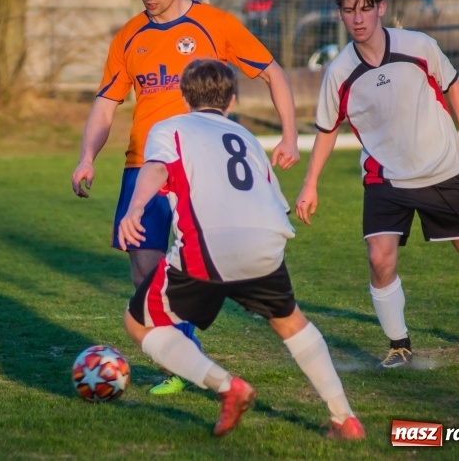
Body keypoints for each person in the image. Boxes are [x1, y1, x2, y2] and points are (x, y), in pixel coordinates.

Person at [71, 0, 300, 395]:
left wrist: (290, 135)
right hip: (144, 165)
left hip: (201, 167)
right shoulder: (129, 37)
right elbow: (105, 105)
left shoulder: (215, 25)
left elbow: (273, 72)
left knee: (200, 261)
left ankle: (187, 359)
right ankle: (184, 354)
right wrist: (86, 157)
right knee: (143, 267)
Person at [294, 0, 459, 369]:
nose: (358, 18)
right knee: (379, 258)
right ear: (340, 15)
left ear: (381, 8)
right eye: (349, 10)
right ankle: (399, 344)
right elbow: (326, 129)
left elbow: (454, 85)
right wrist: (310, 184)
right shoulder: (338, 72)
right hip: (385, 178)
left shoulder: (418, 46)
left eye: (365, 9)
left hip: (441, 169)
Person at [118, 59, 364, 439]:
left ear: (184, 97)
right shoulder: (245, 137)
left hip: (210, 245)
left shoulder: (170, 127)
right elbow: (274, 201)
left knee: (138, 322)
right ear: (231, 100)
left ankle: (225, 385)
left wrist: (135, 208)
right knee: (291, 322)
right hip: (267, 241)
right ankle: (344, 418)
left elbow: (156, 169)